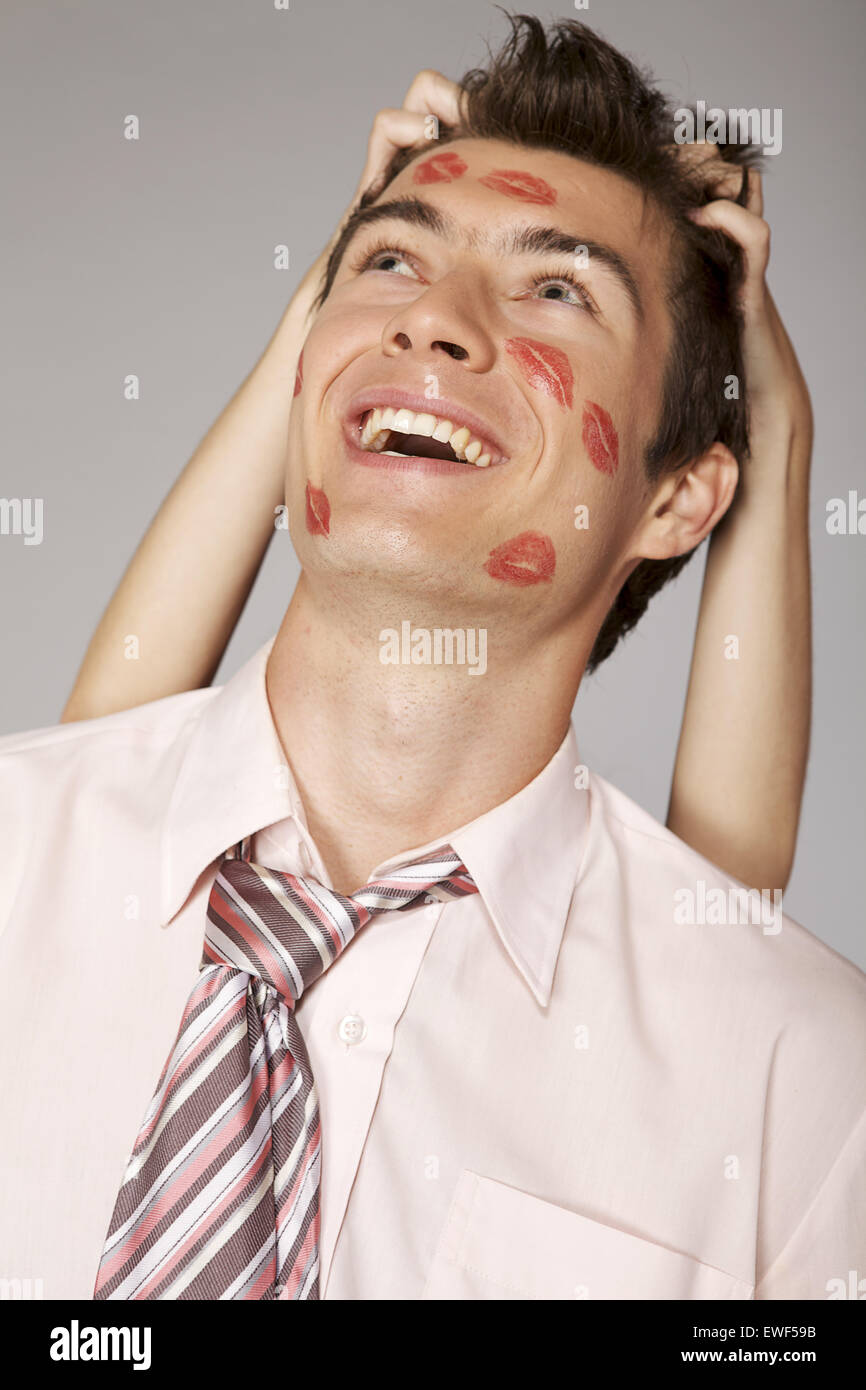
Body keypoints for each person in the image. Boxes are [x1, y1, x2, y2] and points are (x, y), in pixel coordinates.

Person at [0, 16, 861, 1302]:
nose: (435, 326)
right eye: (392, 262)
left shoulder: (801, 1086)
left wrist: (771, 437)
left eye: (556, 287)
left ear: (681, 498)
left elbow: (720, 998)